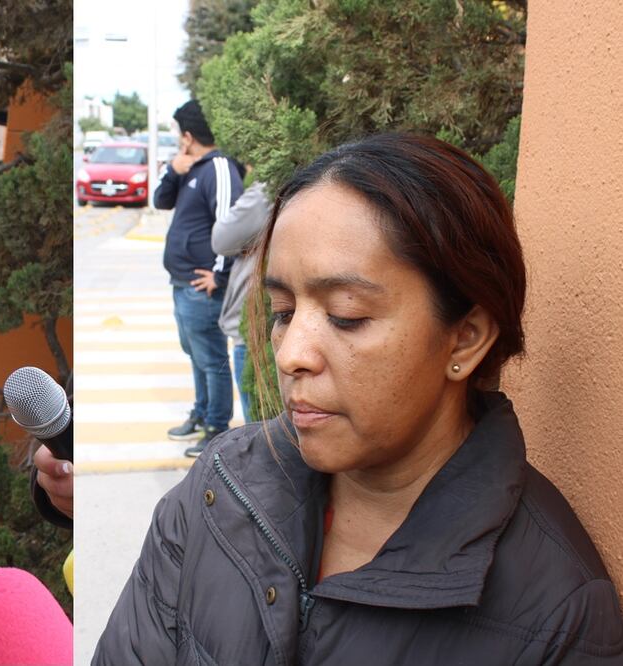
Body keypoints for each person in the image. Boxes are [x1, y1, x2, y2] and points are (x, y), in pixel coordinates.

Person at [94, 133, 623, 664]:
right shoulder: (220, 487)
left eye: (347, 315)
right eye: (283, 312)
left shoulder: (559, 615)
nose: (291, 354)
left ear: (465, 338)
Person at [156, 100, 243, 457]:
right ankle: (202, 412)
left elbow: (231, 225)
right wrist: (172, 171)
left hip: (201, 288)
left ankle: (216, 429)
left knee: (211, 359)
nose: (179, 140)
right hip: (182, 283)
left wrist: (220, 275)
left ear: (189, 136)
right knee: (195, 354)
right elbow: (161, 201)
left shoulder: (219, 168)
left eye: (180, 134)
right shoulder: (190, 167)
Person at [211, 181, 272, 424]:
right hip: (264, 321)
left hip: (256, 324)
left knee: (259, 424)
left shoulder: (266, 190)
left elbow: (221, 239)